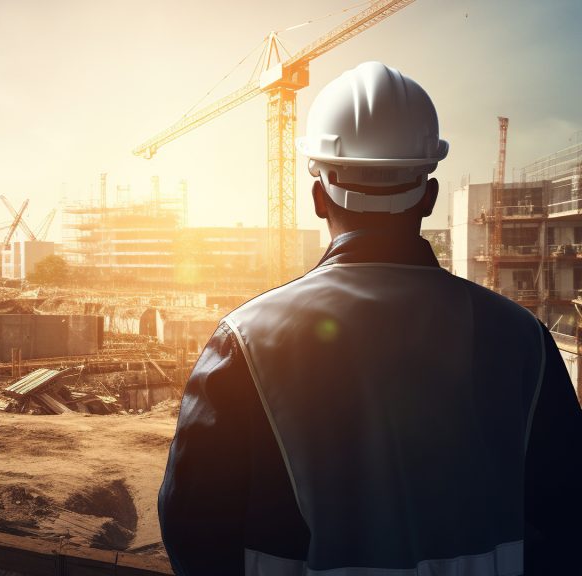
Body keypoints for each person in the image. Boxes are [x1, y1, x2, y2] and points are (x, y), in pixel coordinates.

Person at [158, 61, 582, 575]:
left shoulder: (245, 340)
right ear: (428, 197)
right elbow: (565, 520)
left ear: (318, 198)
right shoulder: (523, 341)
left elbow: (192, 524)